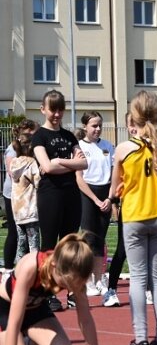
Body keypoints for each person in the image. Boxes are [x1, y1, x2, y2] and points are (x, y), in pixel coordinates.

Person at [0, 233, 119, 345]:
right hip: (5, 312)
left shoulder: (73, 271)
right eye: (64, 283)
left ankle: (28, 344)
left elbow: (86, 320)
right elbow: (14, 323)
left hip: (35, 309)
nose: (67, 287)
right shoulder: (31, 266)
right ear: (54, 265)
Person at [108, 91, 157, 345]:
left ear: (134, 116)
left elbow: (115, 187)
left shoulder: (124, 148)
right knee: (156, 277)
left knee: (137, 277)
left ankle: (140, 340)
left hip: (135, 215)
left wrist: (120, 190)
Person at [31, 91, 87, 313]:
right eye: (52, 109)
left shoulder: (69, 136)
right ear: (43, 109)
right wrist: (70, 163)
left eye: (60, 109)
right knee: (49, 245)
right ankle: (48, 292)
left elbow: (84, 164)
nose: (56, 114)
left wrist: (61, 161)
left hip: (71, 194)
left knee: (70, 245)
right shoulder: (39, 136)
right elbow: (47, 167)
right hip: (50, 195)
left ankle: (72, 291)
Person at [75, 112, 114, 299]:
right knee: (88, 241)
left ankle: (99, 280)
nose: (97, 129)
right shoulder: (79, 147)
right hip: (87, 195)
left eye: (99, 125)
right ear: (85, 127)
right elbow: (79, 179)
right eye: (93, 126)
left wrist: (110, 198)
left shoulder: (108, 146)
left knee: (100, 240)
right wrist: (95, 199)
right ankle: (88, 281)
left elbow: (114, 173)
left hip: (105, 193)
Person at [102, 112, 136, 308]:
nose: (134, 128)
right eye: (130, 124)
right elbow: (116, 182)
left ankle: (148, 290)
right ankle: (111, 290)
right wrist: (112, 198)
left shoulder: (152, 149)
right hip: (130, 208)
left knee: (148, 254)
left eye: (137, 123)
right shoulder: (123, 151)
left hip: (149, 209)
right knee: (122, 250)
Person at [3, 120, 37, 269]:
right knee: (16, 233)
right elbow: (13, 172)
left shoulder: (31, 148)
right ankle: (10, 267)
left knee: (23, 236)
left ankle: (22, 267)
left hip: (24, 197)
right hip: (15, 196)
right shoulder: (14, 148)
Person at [10, 132, 41, 264]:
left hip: (17, 209)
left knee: (21, 243)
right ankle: (34, 272)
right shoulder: (31, 162)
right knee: (34, 243)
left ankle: (19, 270)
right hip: (30, 207)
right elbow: (38, 182)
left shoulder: (14, 162)